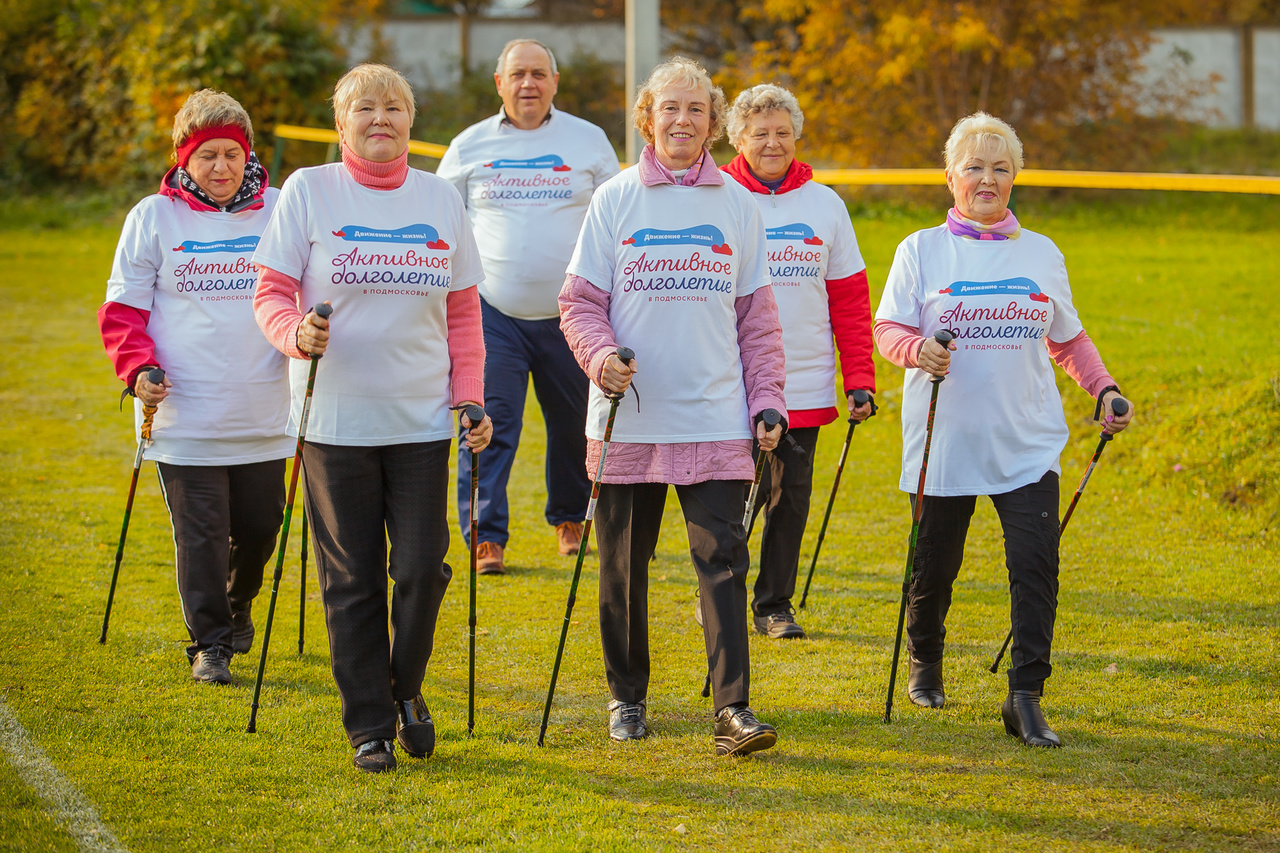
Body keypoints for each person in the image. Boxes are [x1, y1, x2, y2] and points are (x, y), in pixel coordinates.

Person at [252, 64, 493, 773]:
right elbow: (270, 291)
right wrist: (295, 332)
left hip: (419, 420)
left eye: (394, 106)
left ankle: (406, 688)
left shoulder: (441, 198)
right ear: (341, 123)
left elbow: (463, 313)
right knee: (352, 577)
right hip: (334, 421)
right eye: (365, 107)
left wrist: (470, 398)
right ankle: (370, 724)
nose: (380, 117)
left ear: (412, 122)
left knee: (423, 565)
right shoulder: (308, 190)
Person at [873, 112, 1134, 747]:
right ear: (950, 178)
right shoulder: (920, 250)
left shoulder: (1042, 252)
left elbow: (1066, 337)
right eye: (973, 167)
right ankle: (925, 660)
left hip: (1027, 443)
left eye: (1000, 168)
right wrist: (917, 352)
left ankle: (1025, 696)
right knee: (934, 566)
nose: (986, 178)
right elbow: (887, 332)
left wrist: (1104, 387)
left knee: (1036, 564)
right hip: (946, 442)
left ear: (1015, 178)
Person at [559, 57, 786, 757]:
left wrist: (768, 399)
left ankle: (732, 709)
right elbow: (579, 304)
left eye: (696, 109)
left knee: (723, 560)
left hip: (715, 416)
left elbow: (758, 321)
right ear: (646, 118)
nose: (682, 121)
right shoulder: (616, 198)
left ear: (714, 121)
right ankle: (627, 696)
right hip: (630, 416)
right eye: (670, 108)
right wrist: (600, 359)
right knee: (622, 566)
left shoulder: (738, 206)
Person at [98, 89, 288, 686]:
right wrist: (138, 369)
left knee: (260, 528)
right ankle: (211, 644)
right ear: (184, 159)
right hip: (183, 409)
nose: (221, 168)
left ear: (247, 154)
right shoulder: (152, 217)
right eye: (207, 156)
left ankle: (237, 608)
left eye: (232, 154)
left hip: (264, 409)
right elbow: (123, 307)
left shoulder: (282, 209)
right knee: (201, 533)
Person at [436, 39, 620, 575]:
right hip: (493, 312)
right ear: (500, 83)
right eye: (517, 74)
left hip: (571, 313)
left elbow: (615, 222)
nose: (528, 84)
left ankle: (570, 518)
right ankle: (485, 535)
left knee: (572, 424)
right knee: (489, 420)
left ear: (555, 82)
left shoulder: (588, 141)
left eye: (539, 73)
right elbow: (442, 221)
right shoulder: (468, 146)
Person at [720, 83, 876, 640]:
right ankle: (718, 593)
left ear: (796, 137)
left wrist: (859, 377)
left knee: (789, 498)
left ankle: (773, 604)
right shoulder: (716, 195)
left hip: (804, 383)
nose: (771, 143)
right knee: (732, 496)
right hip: (728, 380)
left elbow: (851, 300)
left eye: (782, 132)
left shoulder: (825, 205)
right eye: (759, 133)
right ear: (738, 138)